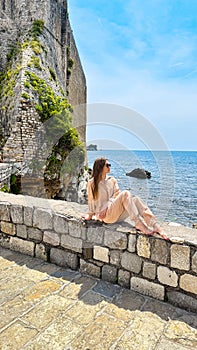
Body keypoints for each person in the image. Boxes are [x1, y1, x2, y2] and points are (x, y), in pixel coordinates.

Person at [82, 157, 169, 240]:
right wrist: (89, 215)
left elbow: (117, 195)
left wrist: (107, 204)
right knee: (126, 193)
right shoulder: (92, 183)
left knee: (136, 200)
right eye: (107, 165)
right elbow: (91, 200)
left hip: (116, 214)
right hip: (106, 217)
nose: (109, 167)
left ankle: (155, 226)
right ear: (100, 167)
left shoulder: (112, 180)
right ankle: (138, 223)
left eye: (109, 165)